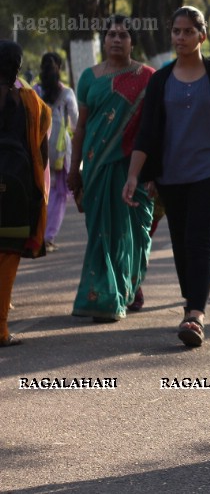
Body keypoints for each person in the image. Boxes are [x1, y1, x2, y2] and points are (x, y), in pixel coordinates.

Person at [123, 6, 210, 347]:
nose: (180, 37)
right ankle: (191, 304)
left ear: (201, 36)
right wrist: (134, 175)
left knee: (198, 239)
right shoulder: (161, 80)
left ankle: (195, 314)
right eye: (176, 31)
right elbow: (146, 134)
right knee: (179, 243)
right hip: (171, 175)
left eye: (187, 31)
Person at [68, 18, 155, 322]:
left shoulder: (148, 78)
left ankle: (128, 286)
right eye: (111, 34)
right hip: (96, 167)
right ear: (103, 41)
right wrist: (74, 167)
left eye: (123, 35)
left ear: (133, 42)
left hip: (135, 167)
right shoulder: (89, 78)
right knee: (102, 235)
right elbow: (80, 127)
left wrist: (155, 171)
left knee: (135, 232)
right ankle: (104, 298)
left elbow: (156, 129)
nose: (117, 39)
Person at [0, 40, 50, 347]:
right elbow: (40, 154)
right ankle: (1, 329)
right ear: (19, 68)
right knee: (6, 259)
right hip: (15, 197)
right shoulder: (32, 102)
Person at [34, 52, 78, 252]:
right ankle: (49, 235)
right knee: (59, 193)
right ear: (59, 68)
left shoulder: (35, 91)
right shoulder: (67, 93)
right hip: (60, 149)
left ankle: (38, 233)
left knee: (41, 190)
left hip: (40, 146)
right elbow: (76, 123)